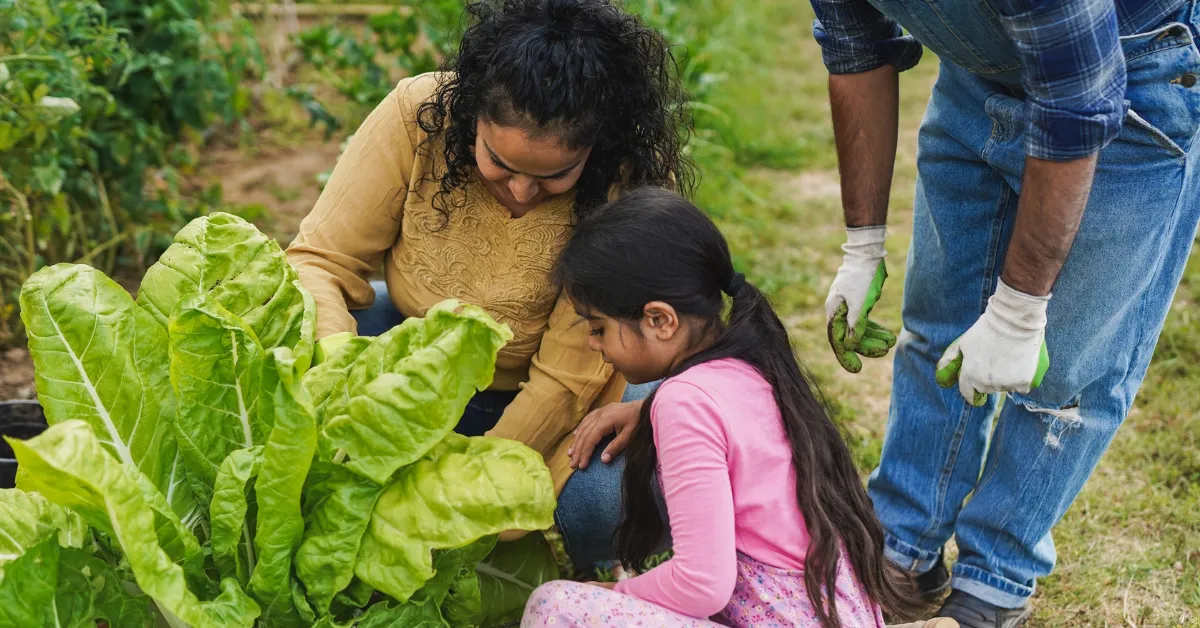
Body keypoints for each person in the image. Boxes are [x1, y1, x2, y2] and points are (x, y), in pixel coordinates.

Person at [809, 0, 1200, 625]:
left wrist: (1019, 311)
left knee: (1066, 376)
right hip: (980, 72)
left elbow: (1078, 103)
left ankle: (995, 577)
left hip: (1131, 85)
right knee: (938, 325)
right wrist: (864, 245)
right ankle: (903, 541)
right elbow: (855, 46)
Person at [284, 0, 695, 570]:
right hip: (419, 358)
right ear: (472, 115)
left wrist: (460, 488)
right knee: (285, 342)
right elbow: (320, 262)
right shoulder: (418, 114)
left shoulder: (626, 183)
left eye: (554, 176)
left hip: (560, 394)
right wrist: (344, 382)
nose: (523, 191)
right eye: (500, 163)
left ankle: (589, 562)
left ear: (594, 150)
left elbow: (564, 380)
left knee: (605, 504)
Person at [522, 187, 927, 628]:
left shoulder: (684, 403)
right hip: (827, 613)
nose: (592, 343)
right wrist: (646, 413)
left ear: (660, 320)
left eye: (598, 328)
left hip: (777, 617)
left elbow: (701, 584)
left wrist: (616, 594)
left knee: (554, 605)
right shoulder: (750, 363)